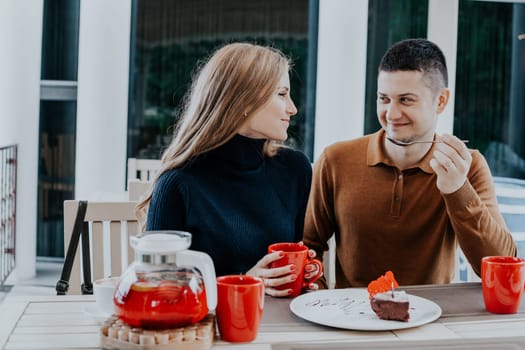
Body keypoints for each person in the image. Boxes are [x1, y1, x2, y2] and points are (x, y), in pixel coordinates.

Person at [303, 38, 517, 288]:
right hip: (352, 318)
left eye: (406, 100)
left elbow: (502, 265)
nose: (391, 114)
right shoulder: (335, 160)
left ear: (441, 101)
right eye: (384, 99)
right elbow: (308, 247)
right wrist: (319, 298)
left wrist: (456, 189)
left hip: (435, 319)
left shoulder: (468, 165)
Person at [138, 42, 315, 297]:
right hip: (210, 330)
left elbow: (296, 254)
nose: (293, 108)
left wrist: (305, 272)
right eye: (281, 94)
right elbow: (158, 286)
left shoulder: (294, 169)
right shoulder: (178, 183)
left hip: (284, 322)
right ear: (245, 100)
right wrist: (243, 283)